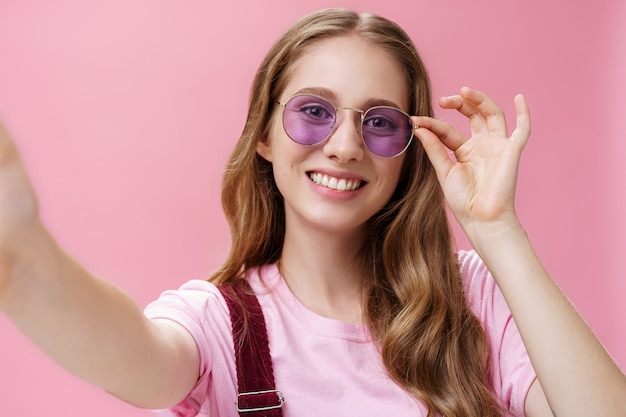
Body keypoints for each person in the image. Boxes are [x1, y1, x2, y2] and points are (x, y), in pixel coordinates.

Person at [0, 7, 624, 417]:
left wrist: (498, 231)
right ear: (265, 137)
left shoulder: (473, 300)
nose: (347, 145)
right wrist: (24, 258)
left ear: (407, 155)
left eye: (380, 123)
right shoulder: (222, 324)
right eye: (314, 111)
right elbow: (133, 354)